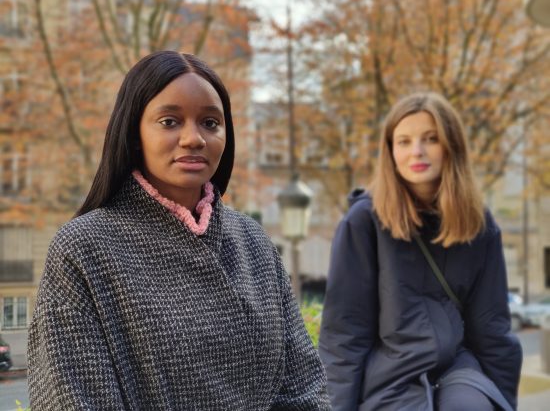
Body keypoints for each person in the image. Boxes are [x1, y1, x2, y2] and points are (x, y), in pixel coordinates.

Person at [28, 51, 329, 410]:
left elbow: (304, 387)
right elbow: (73, 399)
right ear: (134, 133)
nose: (193, 138)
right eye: (169, 121)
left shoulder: (253, 241)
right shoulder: (83, 249)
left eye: (210, 123)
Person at [319, 92, 522, 411]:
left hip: (459, 373)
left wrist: (504, 402)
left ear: (451, 145)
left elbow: (491, 329)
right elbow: (345, 333)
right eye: (404, 141)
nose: (417, 151)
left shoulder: (478, 224)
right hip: (390, 378)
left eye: (431, 139)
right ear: (390, 151)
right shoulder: (363, 222)